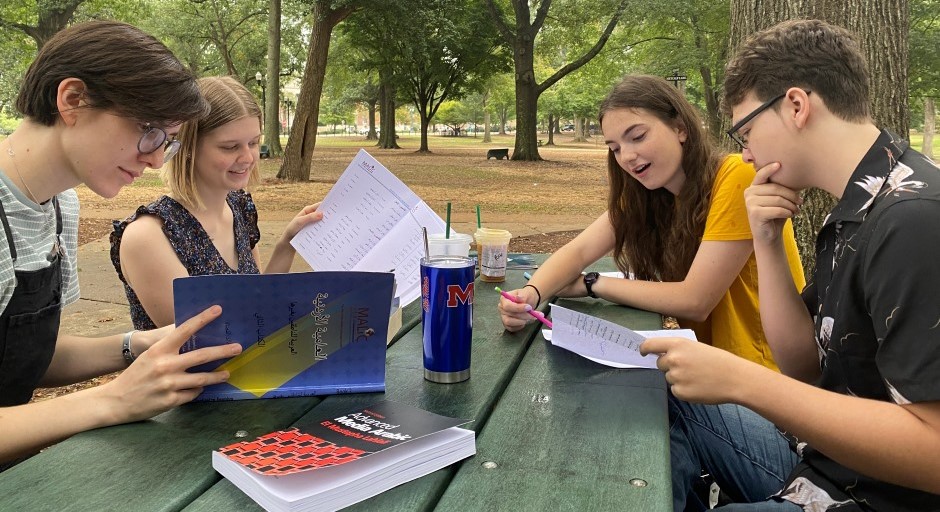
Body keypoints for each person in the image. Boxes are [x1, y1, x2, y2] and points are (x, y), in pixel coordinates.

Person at [640, 19, 940, 510]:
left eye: (747, 131)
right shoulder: (857, 208)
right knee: (658, 388)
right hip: (821, 466)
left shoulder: (912, 220)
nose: (747, 154)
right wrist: (767, 239)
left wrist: (743, 382)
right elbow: (801, 366)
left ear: (796, 106)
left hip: (869, 497)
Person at [0, 21, 242, 466]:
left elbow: (28, 353)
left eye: (166, 143)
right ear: (73, 100)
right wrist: (111, 400)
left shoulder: (60, 206)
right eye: (148, 130)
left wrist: (137, 344)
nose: (153, 160)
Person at [498, 74, 805, 370]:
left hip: (757, 384)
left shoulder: (738, 176)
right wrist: (531, 294)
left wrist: (592, 284)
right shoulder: (647, 196)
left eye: (638, 136)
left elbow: (696, 299)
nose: (627, 156)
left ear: (680, 128)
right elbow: (578, 251)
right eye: (615, 148)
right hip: (699, 372)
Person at [110, 76, 321, 330]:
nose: (248, 157)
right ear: (189, 148)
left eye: (253, 143)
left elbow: (258, 304)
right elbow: (201, 342)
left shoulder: (239, 207)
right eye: (230, 147)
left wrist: (287, 244)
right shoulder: (148, 235)